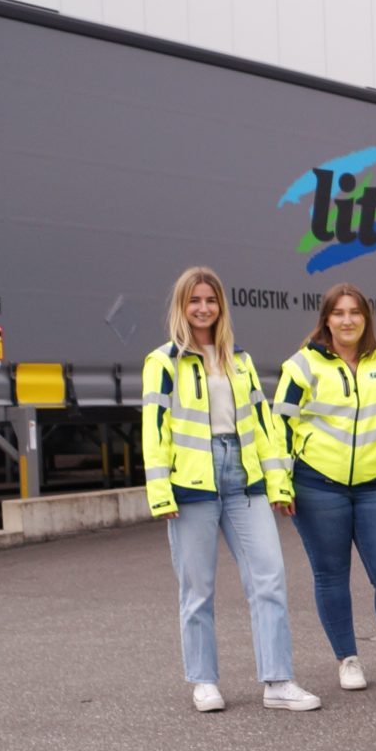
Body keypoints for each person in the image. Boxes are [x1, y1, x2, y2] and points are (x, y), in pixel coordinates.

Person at [140, 266, 322, 713]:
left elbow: (263, 426)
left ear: (221, 306)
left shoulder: (240, 361)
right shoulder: (162, 362)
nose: (203, 308)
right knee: (197, 590)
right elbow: (154, 430)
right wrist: (160, 491)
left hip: (244, 480)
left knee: (269, 579)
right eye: (194, 300)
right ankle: (204, 681)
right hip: (192, 484)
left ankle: (278, 681)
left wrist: (278, 484)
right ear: (181, 307)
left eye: (211, 300)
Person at [272, 283, 376, 691]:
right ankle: (347, 659)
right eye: (339, 313)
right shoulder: (303, 365)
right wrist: (281, 485)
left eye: (355, 313)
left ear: (366, 318)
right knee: (331, 575)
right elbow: (279, 427)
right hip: (318, 486)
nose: (347, 320)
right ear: (326, 319)